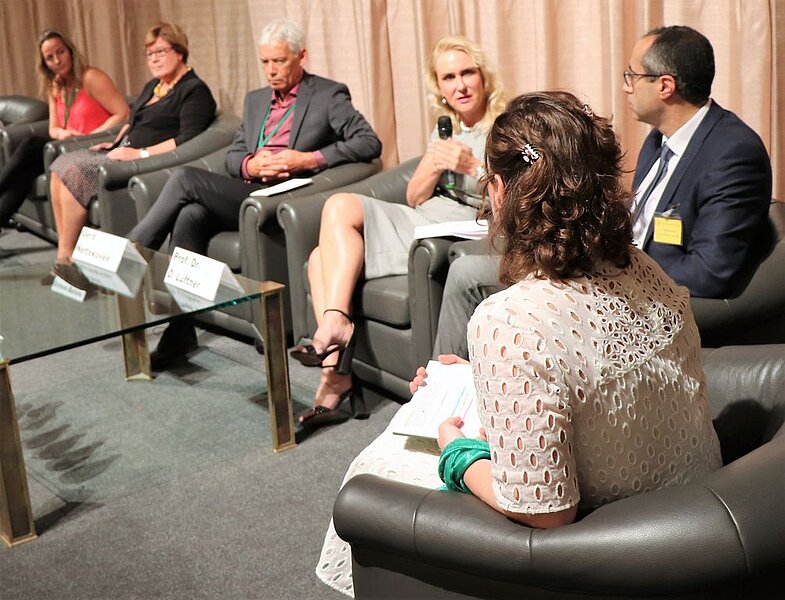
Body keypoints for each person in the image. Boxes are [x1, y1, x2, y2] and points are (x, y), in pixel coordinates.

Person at [314, 91, 723, 598]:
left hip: (608, 554)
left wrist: (458, 454)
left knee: (379, 462)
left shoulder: (508, 319)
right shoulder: (644, 269)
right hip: (697, 522)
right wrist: (482, 375)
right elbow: (592, 367)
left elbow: (545, 513)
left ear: (500, 191)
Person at [431, 24, 773, 359]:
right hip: (605, 260)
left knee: (467, 277)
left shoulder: (732, 152)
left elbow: (710, 272)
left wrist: (618, 262)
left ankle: (440, 388)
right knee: (470, 266)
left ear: (665, 86)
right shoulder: (659, 139)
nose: (626, 87)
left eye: (632, 76)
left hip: (639, 281)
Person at [127, 17, 382, 370]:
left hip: (284, 196)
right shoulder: (256, 100)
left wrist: (307, 159)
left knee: (185, 179)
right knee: (190, 215)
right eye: (265, 62)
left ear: (301, 56)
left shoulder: (327, 95)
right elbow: (233, 157)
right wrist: (250, 164)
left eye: (279, 61)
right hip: (249, 191)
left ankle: (133, 251)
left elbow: (368, 142)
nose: (271, 70)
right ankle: (181, 329)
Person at [289, 35, 506, 431]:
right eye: (449, 78)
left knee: (322, 257)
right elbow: (415, 196)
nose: (460, 85)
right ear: (438, 87)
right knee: (337, 209)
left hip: (462, 226)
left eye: (467, 73)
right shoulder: (445, 129)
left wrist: (473, 166)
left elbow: (510, 203)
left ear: (483, 76)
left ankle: (334, 374)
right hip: (423, 215)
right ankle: (336, 337)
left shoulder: (505, 126)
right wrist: (433, 163)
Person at [46, 22, 216, 283]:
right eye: (150, 54)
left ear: (180, 52)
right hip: (122, 151)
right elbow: (133, 121)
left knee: (75, 170)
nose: (154, 59)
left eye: (160, 52)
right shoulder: (154, 86)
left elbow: (187, 140)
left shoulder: (194, 90)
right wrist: (115, 142)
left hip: (145, 162)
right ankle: (64, 256)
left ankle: (70, 261)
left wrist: (140, 154)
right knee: (60, 165)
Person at [0, 29, 128, 230]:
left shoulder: (91, 77)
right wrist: (62, 133)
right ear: (45, 64)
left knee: (31, 145)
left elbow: (123, 113)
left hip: (92, 146)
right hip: (66, 147)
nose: (57, 60)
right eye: (50, 58)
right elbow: (53, 128)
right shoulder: (55, 85)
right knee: (25, 173)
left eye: (60, 52)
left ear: (70, 51)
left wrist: (89, 137)